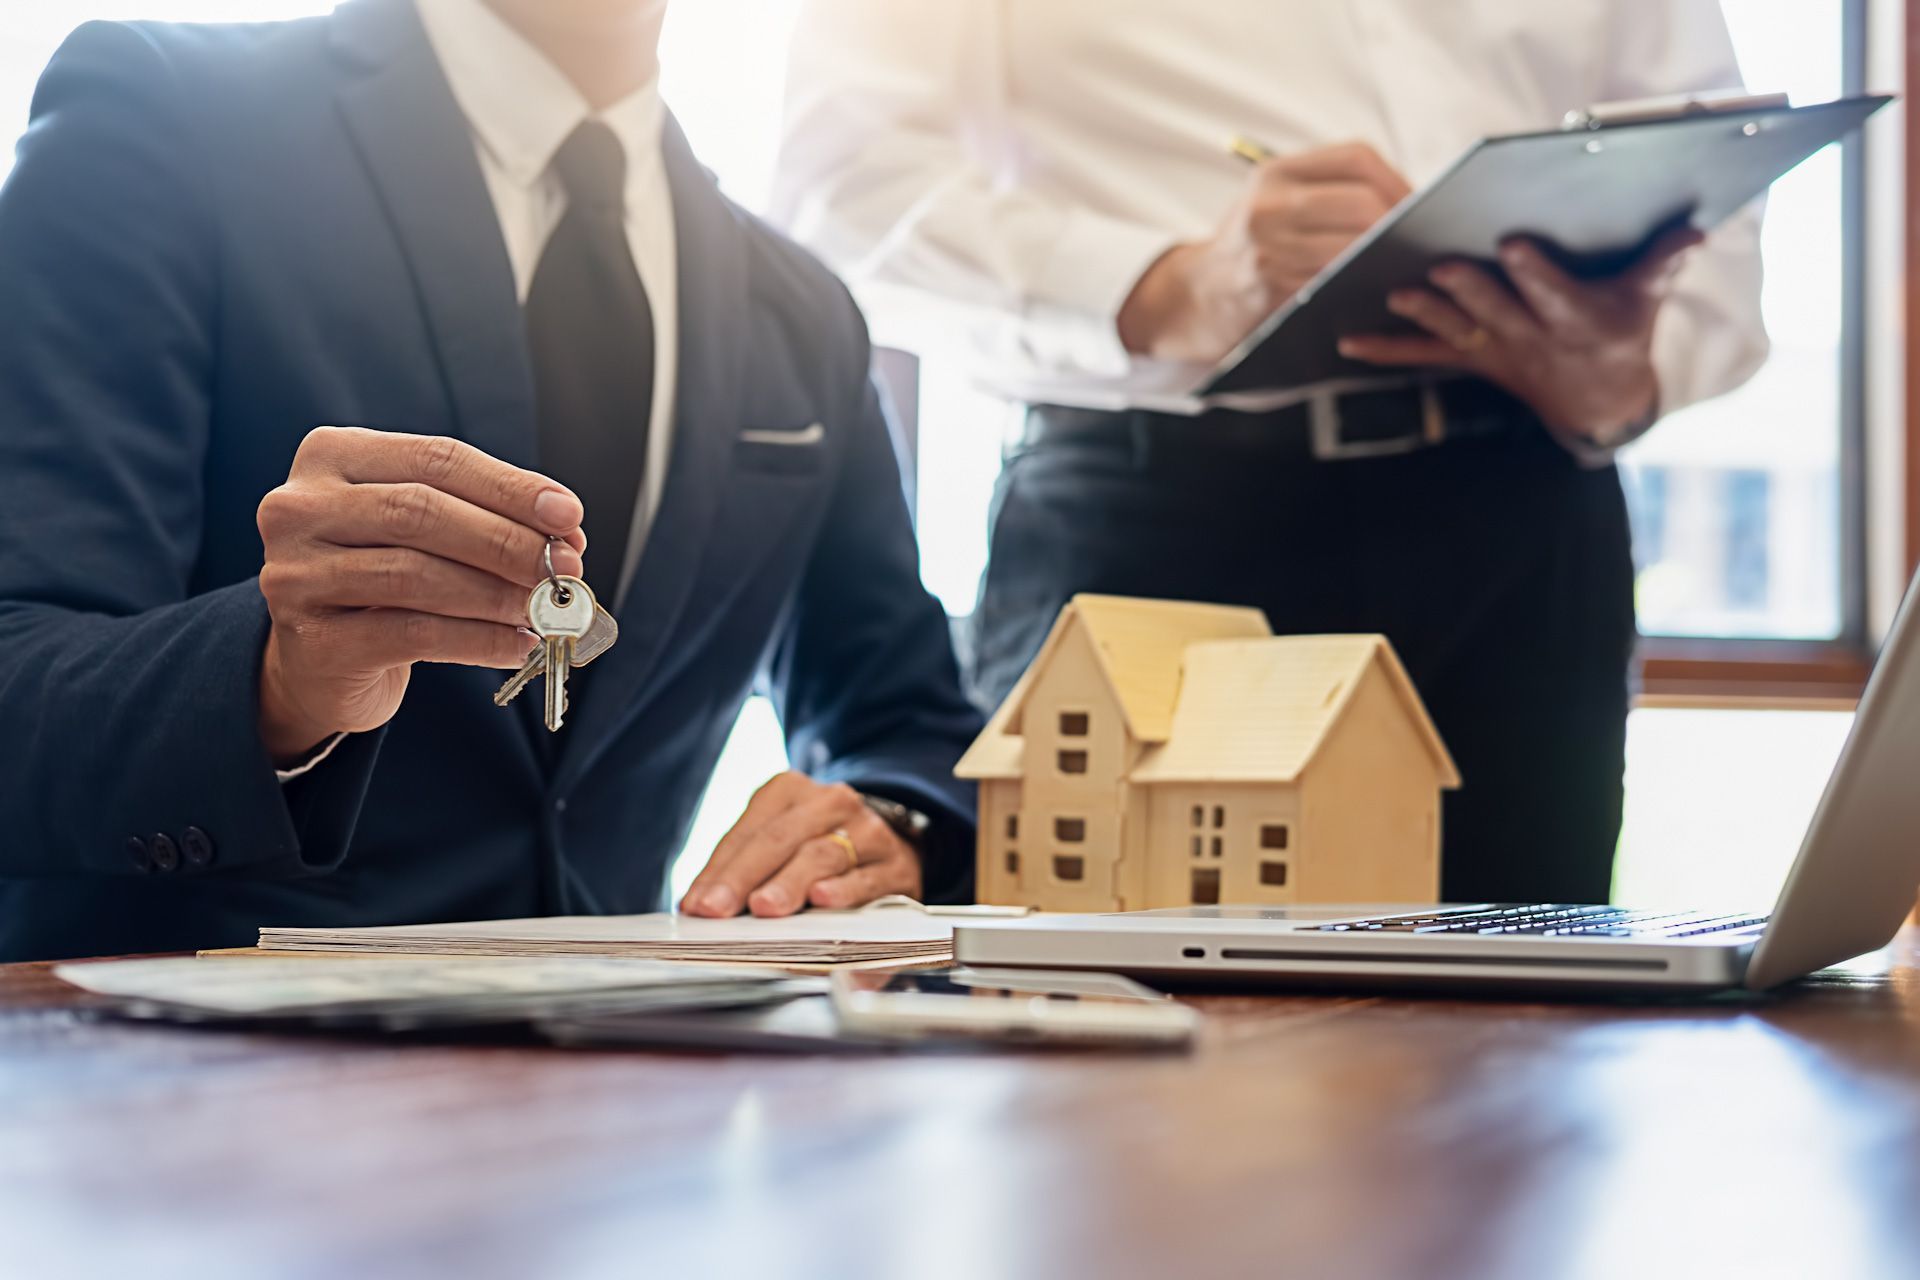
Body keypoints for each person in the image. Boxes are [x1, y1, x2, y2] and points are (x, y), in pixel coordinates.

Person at [0, 0, 983, 962]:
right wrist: (275, 680)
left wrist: (888, 822)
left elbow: (913, 723)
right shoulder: (164, 118)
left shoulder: (801, 309)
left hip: (637, 1080)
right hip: (192, 1073)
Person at [769, 0, 1769, 905]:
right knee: (1109, 1065)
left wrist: (1624, 379)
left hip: (1521, 521)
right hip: (1156, 524)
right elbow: (840, 192)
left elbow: (1712, 172)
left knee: (1527, 1042)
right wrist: (1165, 284)